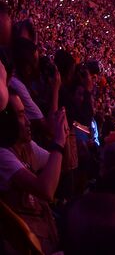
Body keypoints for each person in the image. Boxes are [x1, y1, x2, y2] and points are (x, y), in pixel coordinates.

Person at [0, 97, 66, 252]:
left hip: (44, 232)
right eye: (22, 115)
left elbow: (60, 164)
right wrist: (59, 142)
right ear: (6, 120)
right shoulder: (2, 155)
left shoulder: (26, 146)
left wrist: (64, 132)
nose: (29, 121)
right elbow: (46, 190)